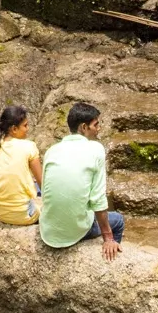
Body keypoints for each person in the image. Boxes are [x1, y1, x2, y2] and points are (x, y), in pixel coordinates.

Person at [39, 101, 122, 259]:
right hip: (75, 232)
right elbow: (98, 199)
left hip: (48, 232)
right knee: (118, 220)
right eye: (96, 125)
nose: (98, 129)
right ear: (84, 127)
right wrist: (108, 237)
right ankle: (113, 261)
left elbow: (45, 192)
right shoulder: (96, 149)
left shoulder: (52, 150)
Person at [0, 104, 44, 227]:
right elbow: (44, 185)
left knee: (32, 185)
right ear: (14, 129)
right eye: (25, 125)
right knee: (40, 190)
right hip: (23, 215)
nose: (28, 129)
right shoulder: (29, 147)